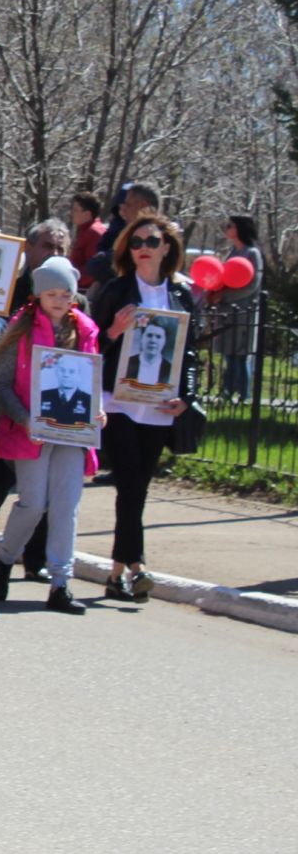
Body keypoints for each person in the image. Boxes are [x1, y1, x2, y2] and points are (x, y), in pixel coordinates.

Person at [0, 257, 104, 614]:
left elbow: (90, 378)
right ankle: (5, 556)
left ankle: (60, 584)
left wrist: (97, 410)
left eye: (65, 293)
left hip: (71, 433)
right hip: (30, 432)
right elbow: (2, 385)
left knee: (66, 506)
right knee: (33, 503)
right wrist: (25, 420)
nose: (58, 299)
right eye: (51, 293)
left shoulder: (85, 330)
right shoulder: (19, 330)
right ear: (38, 295)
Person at [92, 212, 198, 606]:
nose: (142, 249)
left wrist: (186, 396)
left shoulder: (182, 294)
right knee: (131, 483)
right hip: (118, 403)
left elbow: (190, 356)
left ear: (166, 247)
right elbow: (90, 346)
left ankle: (117, 572)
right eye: (135, 243)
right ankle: (136, 567)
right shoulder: (117, 290)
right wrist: (113, 333)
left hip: (157, 407)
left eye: (151, 242)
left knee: (137, 488)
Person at [210, 213, 261, 399]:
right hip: (227, 312)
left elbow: (252, 284)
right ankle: (227, 391)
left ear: (239, 228)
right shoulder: (232, 252)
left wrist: (225, 295)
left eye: (230, 225)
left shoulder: (252, 253)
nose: (227, 228)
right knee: (228, 354)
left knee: (240, 355)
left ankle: (243, 394)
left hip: (243, 312)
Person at [67, 191, 106, 275]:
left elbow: (94, 270)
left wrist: (72, 278)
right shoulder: (84, 231)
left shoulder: (94, 233)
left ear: (87, 214)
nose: (71, 213)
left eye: (75, 210)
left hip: (85, 287)